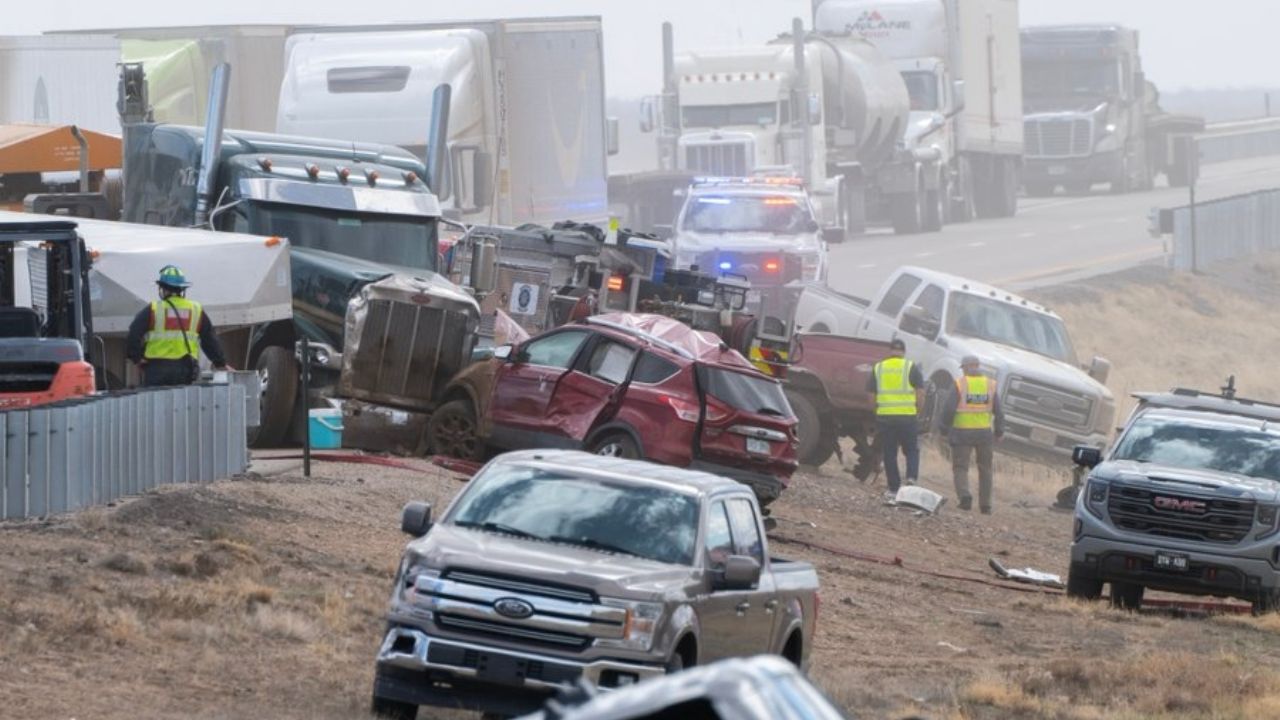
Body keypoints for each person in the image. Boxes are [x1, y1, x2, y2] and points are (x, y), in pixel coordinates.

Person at [126, 265, 228, 387]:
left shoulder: (153, 309)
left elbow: (133, 333)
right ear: (182, 289)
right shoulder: (196, 309)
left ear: (162, 289)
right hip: (185, 369)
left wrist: (137, 358)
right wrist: (220, 363)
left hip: (157, 369)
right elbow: (209, 339)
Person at [941, 355, 1005, 514]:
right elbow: (999, 411)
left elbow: (948, 409)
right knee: (986, 469)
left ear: (967, 367)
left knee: (960, 467)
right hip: (984, 434)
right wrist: (999, 431)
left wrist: (943, 428)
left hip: (962, 432)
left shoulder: (960, 384)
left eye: (963, 368)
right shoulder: (990, 385)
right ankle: (985, 505)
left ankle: (964, 497)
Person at [866, 338, 924, 499]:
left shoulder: (879, 368)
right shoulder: (910, 367)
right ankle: (911, 478)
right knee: (912, 450)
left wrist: (876, 411)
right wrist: (917, 410)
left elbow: (871, 394)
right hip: (907, 416)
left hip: (886, 417)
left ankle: (893, 489)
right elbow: (920, 392)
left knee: (889, 453)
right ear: (904, 352)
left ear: (890, 351)